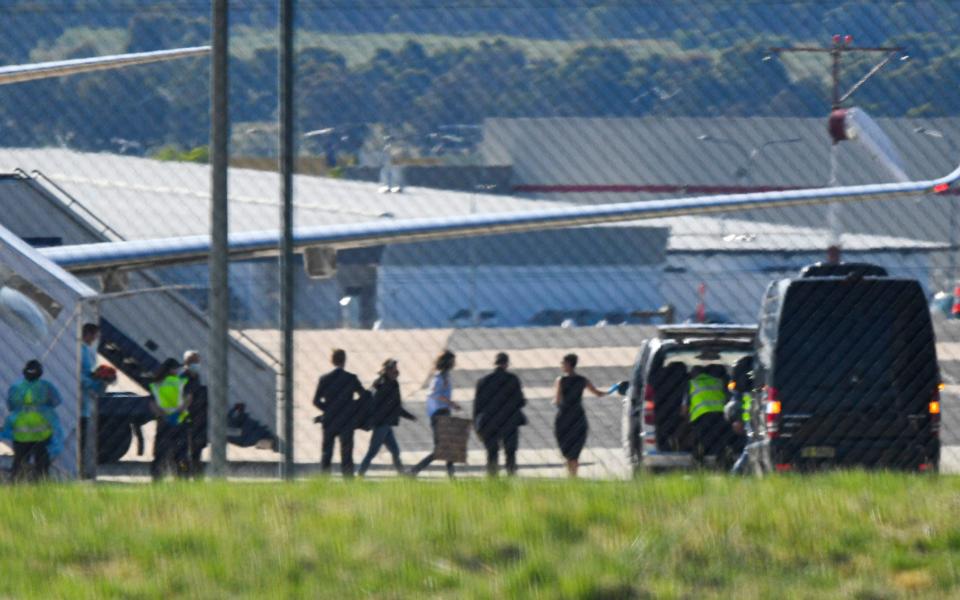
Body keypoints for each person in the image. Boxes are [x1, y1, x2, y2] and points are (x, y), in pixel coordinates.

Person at [357, 359, 416, 476]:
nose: (397, 371)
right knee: (372, 452)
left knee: (395, 451)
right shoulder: (384, 385)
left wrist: (409, 416)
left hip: (386, 424)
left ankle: (402, 474)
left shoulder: (392, 384)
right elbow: (389, 407)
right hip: (381, 424)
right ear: (388, 371)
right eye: (394, 369)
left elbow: (395, 407)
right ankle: (359, 475)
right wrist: (409, 416)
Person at [5, 360, 62, 481]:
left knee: (19, 461)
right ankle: (40, 485)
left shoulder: (16, 387)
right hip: (41, 432)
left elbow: (10, 406)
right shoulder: (46, 386)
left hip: (21, 433)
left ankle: (16, 485)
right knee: (41, 462)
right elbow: (56, 401)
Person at [553, 353, 607, 477]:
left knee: (565, 443)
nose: (561, 365)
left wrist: (556, 401)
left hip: (564, 415)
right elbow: (597, 393)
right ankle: (574, 474)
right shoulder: (582, 380)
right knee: (576, 444)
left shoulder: (561, 380)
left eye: (563, 363)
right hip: (578, 415)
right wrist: (608, 391)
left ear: (568, 364)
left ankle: (570, 472)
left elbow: (557, 400)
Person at [313, 348, 364, 477]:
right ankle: (348, 481)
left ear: (332, 360)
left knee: (327, 452)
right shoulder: (351, 378)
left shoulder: (324, 379)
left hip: (330, 420)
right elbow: (364, 396)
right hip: (346, 420)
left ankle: (324, 480)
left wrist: (329, 409)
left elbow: (316, 401)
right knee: (346, 453)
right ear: (344, 360)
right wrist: (352, 407)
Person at [474, 352, 526, 477]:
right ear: (507, 364)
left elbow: (477, 406)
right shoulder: (513, 379)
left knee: (492, 453)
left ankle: (493, 479)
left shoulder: (483, 381)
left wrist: (476, 425)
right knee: (510, 453)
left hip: (489, 421)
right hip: (509, 420)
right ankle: (511, 477)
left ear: (495, 363)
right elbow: (520, 401)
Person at [410, 350, 461, 478]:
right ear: (448, 362)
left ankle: (451, 477)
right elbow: (434, 394)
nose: (455, 363)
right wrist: (451, 403)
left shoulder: (444, 377)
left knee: (448, 447)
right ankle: (414, 471)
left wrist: (450, 405)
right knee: (442, 449)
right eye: (453, 361)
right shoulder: (439, 378)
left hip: (443, 413)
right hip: (439, 415)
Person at [148, 358, 192, 480]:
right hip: (180, 421)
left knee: (160, 453)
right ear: (172, 370)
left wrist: (163, 415)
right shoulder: (181, 382)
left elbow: (152, 404)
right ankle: (183, 477)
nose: (179, 370)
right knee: (181, 454)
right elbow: (188, 399)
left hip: (163, 421)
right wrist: (178, 412)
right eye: (177, 368)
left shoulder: (156, 384)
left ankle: (157, 478)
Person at [682, 364, 730, 467]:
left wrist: (687, 421)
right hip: (720, 415)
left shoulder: (691, 384)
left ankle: (698, 464)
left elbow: (684, 409)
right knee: (720, 441)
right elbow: (727, 400)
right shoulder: (718, 382)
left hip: (701, 416)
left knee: (698, 442)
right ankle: (723, 463)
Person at [79, 322, 102, 475]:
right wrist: (93, 382)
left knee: (83, 440)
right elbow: (79, 374)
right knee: (80, 440)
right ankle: (79, 469)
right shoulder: (79, 351)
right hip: (79, 401)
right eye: (94, 335)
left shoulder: (87, 350)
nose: (95, 338)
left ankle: (81, 468)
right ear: (87, 334)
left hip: (85, 402)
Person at [180, 350, 207, 477]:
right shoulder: (183, 377)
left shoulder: (196, 377)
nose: (196, 364)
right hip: (187, 419)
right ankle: (184, 475)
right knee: (186, 450)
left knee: (197, 449)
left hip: (198, 418)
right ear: (185, 362)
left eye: (197, 361)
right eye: (192, 361)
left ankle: (196, 474)